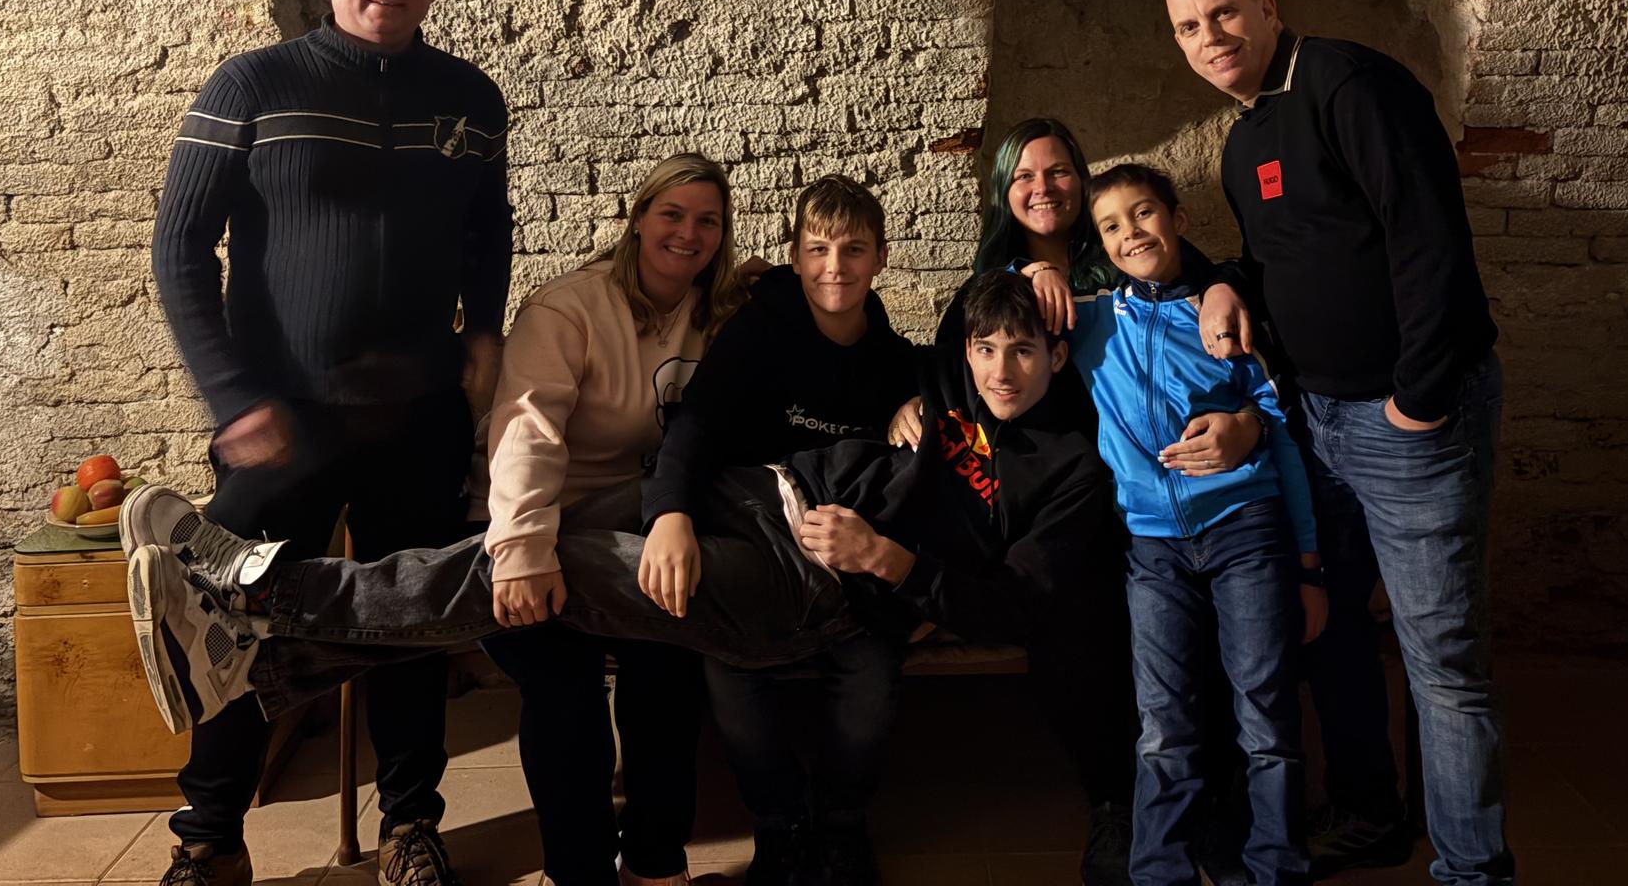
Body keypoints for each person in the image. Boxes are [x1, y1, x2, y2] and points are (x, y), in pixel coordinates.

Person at [119, 275, 1119, 813]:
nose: (1002, 368)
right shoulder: (940, 380)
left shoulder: (1071, 470)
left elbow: (1021, 607)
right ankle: (262, 664)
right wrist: (1028, 275)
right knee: (523, 549)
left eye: (1024, 350)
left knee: (554, 568)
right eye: (986, 348)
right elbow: (833, 308)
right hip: (756, 498)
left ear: (1057, 355)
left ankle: (261, 593)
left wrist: (888, 561)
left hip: (810, 586)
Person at [147, 0, 510, 886]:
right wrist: (232, 398)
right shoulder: (251, 85)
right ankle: (209, 838)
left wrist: (483, 328)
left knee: (411, 627)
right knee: (230, 624)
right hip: (283, 419)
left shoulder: (470, 98)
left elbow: (489, 228)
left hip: (420, 415)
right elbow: (180, 250)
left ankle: (411, 827)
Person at [1165, 0, 1512, 886]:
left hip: (1406, 422)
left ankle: (1473, 872)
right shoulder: (1243, 142)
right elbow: (1281, 256)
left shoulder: (1347, 84)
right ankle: (1370, 812)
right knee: (1335, 628)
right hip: (1316, 426)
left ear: (1267, 7)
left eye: (1224, 13)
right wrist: (1227, 280)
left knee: (1441, 660)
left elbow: (1429, 239)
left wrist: (1417, 402)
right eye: (1189, 28)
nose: (1211, 38)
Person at [1031, 162, 1326, 886]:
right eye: (1111, 225)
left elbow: (1284, 439)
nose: (1131, 233)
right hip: (1153, 550)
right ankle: (1158, 872)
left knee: (1264, 714)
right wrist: (1035, 268)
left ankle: (1274, 867)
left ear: (1178, 220)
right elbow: (998, 305)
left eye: (1144, 213)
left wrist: (1309, 565)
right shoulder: (1094, 321)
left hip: (1246, 531)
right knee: (1163, 724)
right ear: (1099, 245)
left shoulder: (1223, 318)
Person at [638, 174, 921, 885]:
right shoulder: (757, 334)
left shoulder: (891, 356)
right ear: (794, 257)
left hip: (843, 560)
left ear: (881, 258)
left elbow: (949, 370)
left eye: (853, 250)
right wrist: (669, 513)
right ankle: (780, 822)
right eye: (818, 249)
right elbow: (695, 427)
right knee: (730, 666)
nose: (835, 267)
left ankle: (842, 823)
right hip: (755, 540)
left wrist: (919, 399)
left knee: (872, 674)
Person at [481, 151, 749, 886]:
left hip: (644, 526)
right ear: (637, 219)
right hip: (541, 518)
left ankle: (655, 861)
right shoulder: (569, 308)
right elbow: (528, 429)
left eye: (707, 221)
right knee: (562, 684)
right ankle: (580, 871)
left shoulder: (720, 313)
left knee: (669, 665)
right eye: (672, 214)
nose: (688, 234)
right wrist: (523, 547)